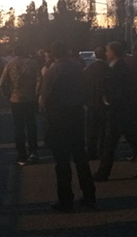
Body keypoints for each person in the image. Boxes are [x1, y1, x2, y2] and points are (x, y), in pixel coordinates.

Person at [41, 41, 96, 212]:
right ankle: (89, 195)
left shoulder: (52, 71)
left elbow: (46, 98)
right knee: (80, 157)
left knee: (62, 161)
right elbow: (86, 89)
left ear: (53, 54)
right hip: (76, 115)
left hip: (58, 118)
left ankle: (65, 199)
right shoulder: (78, 68)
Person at [93, 42, 137, 182]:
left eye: (108, 50)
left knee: (111, 143)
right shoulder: (120, 66)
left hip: (117, 110)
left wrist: (109, 100)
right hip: (123, 110)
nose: (106, 53)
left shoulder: (118, 68)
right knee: (132, 140)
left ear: (114, 52)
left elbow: (118, 89)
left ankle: (103, 172)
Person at [0, 45, 41, 165]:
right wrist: (36, 94)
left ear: (14, 53)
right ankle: (33, 152)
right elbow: (39, 80)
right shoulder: (33, 63)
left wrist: (7, 95)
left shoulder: (10, 65)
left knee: (19, 127)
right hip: (30, 99)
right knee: (31, 126)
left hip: (16, 99)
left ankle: (21, 155)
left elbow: (2, 83)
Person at [84, 46, 108, 160]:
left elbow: (83, 86)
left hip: (91, 103)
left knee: (91, 129)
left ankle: (91, 151)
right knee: (103, 129)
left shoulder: (88, 69)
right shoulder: (108, 68)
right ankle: (102, 151)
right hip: (104, 103)